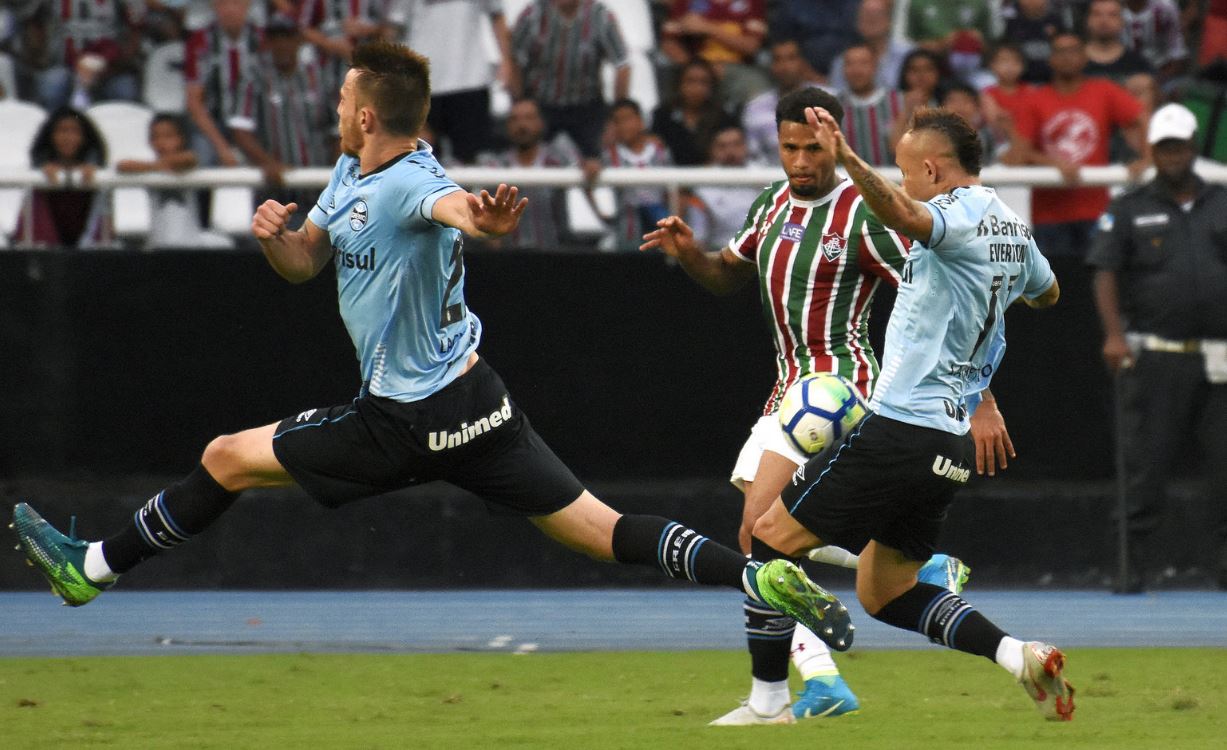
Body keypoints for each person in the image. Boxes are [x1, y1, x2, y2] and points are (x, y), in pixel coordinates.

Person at [11, 43, 845, 675]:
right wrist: (278, 240)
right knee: (602, 530)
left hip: (403, 419)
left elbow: (460, 212)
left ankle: (92, 570)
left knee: (224, 458)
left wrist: (488, 220)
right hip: (477, 404)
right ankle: (757, 579)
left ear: (368, 114)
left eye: (344, 99)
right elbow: (307, 261)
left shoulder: (415, 182)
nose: (338, 109)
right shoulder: (349, 172)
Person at [641, 88, 991, 725]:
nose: (800, 160)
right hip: (788, 386)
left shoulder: (863, 211)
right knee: (758, 543)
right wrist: (690, 253)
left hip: (839, 385)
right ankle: (793, 687)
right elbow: (728, 273)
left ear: (835, 140)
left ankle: (796, 689)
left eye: (812, 146)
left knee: (760, 531)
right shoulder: (771, 204)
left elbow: (945, 294)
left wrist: (980, 396)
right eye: (788, 147)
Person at [747, 101, 1071, 722]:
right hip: (949, 444)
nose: (899, 183)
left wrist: (846, 158)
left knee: (764, 542)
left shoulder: (957, 212)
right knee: (885, 592)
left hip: (901, 426)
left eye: (902, 171)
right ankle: (1016, 654)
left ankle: (809, 622)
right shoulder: (1014, 226)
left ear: (930, 170)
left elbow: (902, 213)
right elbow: (1049, 293)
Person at [1086, 103, 1227, 593]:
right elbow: (1105, 270)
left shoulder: (1222, 201)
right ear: (1152, 151)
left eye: (1180, 146)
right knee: (1147, 465)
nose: (1172, 156)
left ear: (1192, 149)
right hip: (1159, 353)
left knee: (1225, 468)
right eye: (1163, 147)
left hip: (1221, 356)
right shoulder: (1130, 206)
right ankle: (1129, 567)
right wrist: (1113, 333)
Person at [1012, 31, 1146, 259]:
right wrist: (1053, 163)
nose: (1067, 58)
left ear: (1084, 57)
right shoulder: (1034, 99)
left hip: (1096, 209)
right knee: (1054, 287)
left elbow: (1142, 121)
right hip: (1049, 215)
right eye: (1060, 52)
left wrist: (1147, 158)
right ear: (1051, 59)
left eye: (1073, 51)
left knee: (1102, 274)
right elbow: (1017, 153)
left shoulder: (1104, 90)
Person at [509, 0, 629, 181]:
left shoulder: (601, 17)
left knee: (597, 165)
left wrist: (616, 116)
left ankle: (601, 209)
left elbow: (622, 64)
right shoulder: (533, 15)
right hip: (542, 106)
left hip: (587, 108)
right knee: (536, 164)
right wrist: (519, 103)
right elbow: (514, 60)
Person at [229, 14, 333, 218]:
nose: (281, 44)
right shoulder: (254, 78)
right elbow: (241, 131)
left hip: (318, 192)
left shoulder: (317, 77)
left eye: (287, 37)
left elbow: (336, 130)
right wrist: (267, 162)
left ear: (298, 40)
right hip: (274, 196)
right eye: (275, 39)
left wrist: (336, 172)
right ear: (267, 43)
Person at [389, 0, 514, 164]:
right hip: (422, 83)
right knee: (422, 159)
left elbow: (497, 15)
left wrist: (506, 61)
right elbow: (394, 29)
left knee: (472, 159)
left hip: (470, 79)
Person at [115, 113, 233, 250]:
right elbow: (122, 166)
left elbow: (188, 160)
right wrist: (156, 167)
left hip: (192, 243)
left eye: (168, 136)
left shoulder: (188, 161)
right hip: (158, 243)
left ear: (181, 138)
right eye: (155, 137)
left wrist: (154, 167)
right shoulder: (149, 169)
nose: (161, 142)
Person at [475, 97, 573, 250]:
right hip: (508, 259)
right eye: (515, 119)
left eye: (529, 118)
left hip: (554, 256)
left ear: (541, 122)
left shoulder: (559, 162)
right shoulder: (494, 167)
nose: (521, 125)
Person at [184, 0, 262, 167]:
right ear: (213, 7)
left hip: (255, 123)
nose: (229, 10)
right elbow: (194, 102)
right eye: (222, 3)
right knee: (202, 153)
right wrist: (222, 147)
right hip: (215, 123)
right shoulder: (200, 42)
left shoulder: (262, 39)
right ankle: (201, 193)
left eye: (236, 3)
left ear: (247, 5)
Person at [18, 106, 110, 248]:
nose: (68, 138)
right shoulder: (38, 174)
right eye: (62, 131)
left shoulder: (95, 174)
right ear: (50, 135)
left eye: (75, 131)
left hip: (89, 253)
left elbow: (106, 226)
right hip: (47, 253)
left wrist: (94, 174)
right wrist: (43, 173)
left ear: (85, 137)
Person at [659, 0, 771, 106]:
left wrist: (707, 28)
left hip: (738, 68)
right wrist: (697, 67)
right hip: (695, 67)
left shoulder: (752, 2)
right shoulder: (685, 2)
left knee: (759, 91)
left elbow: (751, 46)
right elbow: (669, 43)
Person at [599, 98, 674, 251]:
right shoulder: (609, 155)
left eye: (627, 118)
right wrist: (600, 213)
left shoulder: (660, 151)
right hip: (628, 226)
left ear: (641, 121)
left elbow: (673, 189)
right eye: (617, 121)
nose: (623, 125)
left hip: (659, 220)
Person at [742, 39, 822, 165]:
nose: (784, 66)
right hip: (772, 179)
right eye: (778, 60)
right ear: (772, 66)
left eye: (791, 58)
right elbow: (753, 157)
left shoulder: (829, 100)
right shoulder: (755, 108)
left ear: (803, 63)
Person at [683, 123, 761, 251]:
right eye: (722, 146)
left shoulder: (764, 176)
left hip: (760, 253)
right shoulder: (701, 186)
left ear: (746, 146)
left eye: (737, 144)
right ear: (712, 150)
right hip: (719, 253)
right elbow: (698, 238)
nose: (730, 152)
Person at [650, 58, 738, 167]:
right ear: (679, 84)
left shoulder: (723, 117)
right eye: (690, 81)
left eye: (703, 82)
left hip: (711, 179)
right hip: (670, 177)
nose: (697, 88)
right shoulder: (663, 115)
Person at [838, 42, 905, 167]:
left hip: (891, 183)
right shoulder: (832, 107)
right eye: (850, 64)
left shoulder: (899, 103)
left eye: (863, 63)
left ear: (875, 66)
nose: (856, 70)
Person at [827, 0, 914, 95]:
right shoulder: (843, 61)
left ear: (889, 20)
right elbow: (837, 96)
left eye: (877, 14)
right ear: (857, 21)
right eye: (866, 14)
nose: (871, 19)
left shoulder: (909, 54)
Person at [1083, 0, 1154, 83]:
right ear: (1087, 20)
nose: (1104, 20)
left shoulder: (1139, 65)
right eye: (1097, 14)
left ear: (1122, 21)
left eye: (1112, 15)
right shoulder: (1071, 63)